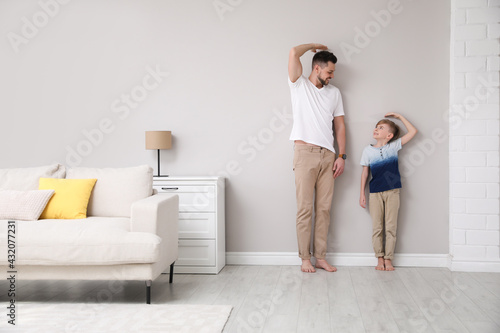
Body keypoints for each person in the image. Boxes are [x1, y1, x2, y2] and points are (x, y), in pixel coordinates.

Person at [288, 43, 346, 273]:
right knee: (305, 209)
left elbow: (340, 126)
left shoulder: (335, 93)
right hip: (304, 154)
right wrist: (312, 46)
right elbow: (293, 52)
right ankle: (305, 258)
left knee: (323, 209)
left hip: (328, 156)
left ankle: (320, 257)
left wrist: (341, 155)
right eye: (329, 72)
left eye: (333, 73)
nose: (332, 76)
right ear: (316, 69)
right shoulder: (299, 85)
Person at [359, 113, 417, 271]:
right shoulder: (367, 151)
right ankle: (379, 258)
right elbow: (365, 173)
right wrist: (361, 194)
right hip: (375, 193)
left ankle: (388, 259)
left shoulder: (394, 146)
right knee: (377, 228)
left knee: (391, 227)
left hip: (392, 191)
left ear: (389, 135)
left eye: (381, 128)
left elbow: (413, 132)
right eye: (376, 127)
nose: (376, 129)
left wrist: (399, 117)